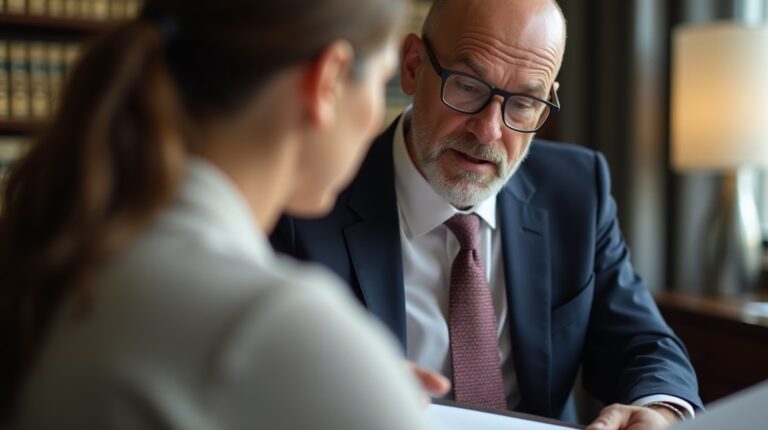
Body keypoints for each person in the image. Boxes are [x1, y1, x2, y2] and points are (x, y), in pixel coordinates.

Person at [0, 0, 438, 428]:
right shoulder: (276, 326)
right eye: (381, 83)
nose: (376, 118)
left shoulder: (69, 250)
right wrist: (346, 376)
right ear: (329, 79)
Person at [271, 0, 703, 429]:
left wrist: (661, 411)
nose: (488, 130)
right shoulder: (307, 200)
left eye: (522, 103)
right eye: (467, 86)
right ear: (412, 66)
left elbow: (644, 343)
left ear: (547, 101)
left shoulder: (576, 190)